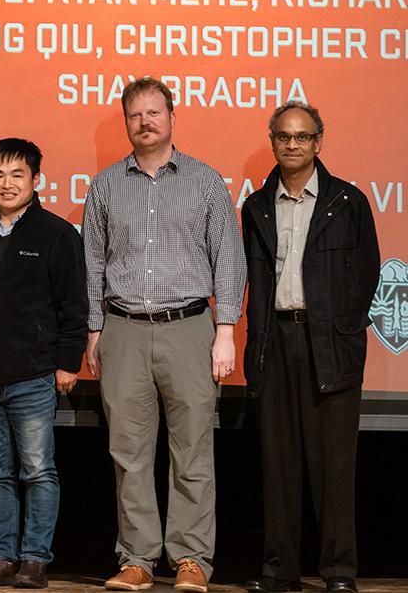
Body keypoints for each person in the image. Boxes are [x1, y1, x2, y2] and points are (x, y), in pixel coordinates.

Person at [83, 77, 246, 593]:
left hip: (190, 329)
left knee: (192, 450)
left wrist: (225, 331)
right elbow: (92, 263)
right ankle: (137, 558)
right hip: (123, 330)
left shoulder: (205, 181)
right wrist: (94, 331)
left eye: (154, 112)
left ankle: (191, 559)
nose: (145, 122)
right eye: (135, 115)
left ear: (172, 118)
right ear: (126, 122)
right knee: (128, 453)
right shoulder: (106, 185)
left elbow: (229, 259)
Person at [240, 102, 379, 593]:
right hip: (274, 343)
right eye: (284, 136)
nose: (293, 144)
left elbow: (367, 274)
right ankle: (280, 571)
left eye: (302, 136)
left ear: (318, 142)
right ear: (273, 142)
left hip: (330, 345)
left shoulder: (348, 201)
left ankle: (338, 571)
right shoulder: (256, 206)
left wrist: (340, 328)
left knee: (334, 468)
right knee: (278, 465)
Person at [0, 138, 88, 589]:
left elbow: (74, 306)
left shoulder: (57, 234)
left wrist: (68, 363)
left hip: (33, 376)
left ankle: (34, 560)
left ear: (37, 180)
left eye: (18, 175)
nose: (7, 184)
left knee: (37, 471)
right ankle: (1, 558)